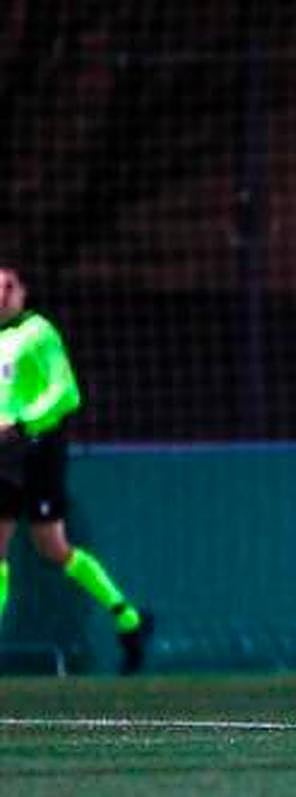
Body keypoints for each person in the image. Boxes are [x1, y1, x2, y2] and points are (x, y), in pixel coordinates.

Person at [0, 266, 153, 674]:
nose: (2, 294)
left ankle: (128, 619)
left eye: (7, 286)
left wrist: (23, 423)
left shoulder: (38, 332)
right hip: (3, 454)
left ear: (22, 292)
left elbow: (64, 392)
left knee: (51, 546)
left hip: (36, 447)